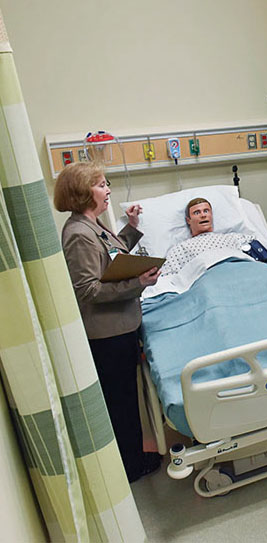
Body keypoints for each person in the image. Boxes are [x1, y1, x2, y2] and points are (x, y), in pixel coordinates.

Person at [54, 162, 161, 483]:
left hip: (120, 328)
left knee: (126, 398)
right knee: (120, 402)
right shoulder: (78, 235)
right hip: (107, 335)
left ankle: (133, 456)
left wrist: (130, 226)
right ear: (82, 192)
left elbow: (112, 256)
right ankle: (130, 467)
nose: (108, 189)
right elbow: (87, 289)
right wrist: (139, 282)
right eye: (101, 185)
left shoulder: (92, 225)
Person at [159, 198, 255, 276]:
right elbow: (167, 277)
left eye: (206, 211)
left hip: (243, 273)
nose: (203, 215)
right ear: (188, 220)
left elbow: (262, 253)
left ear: (211, 215)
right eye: (197, 213)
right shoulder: (180, 249)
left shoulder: (234, 238)